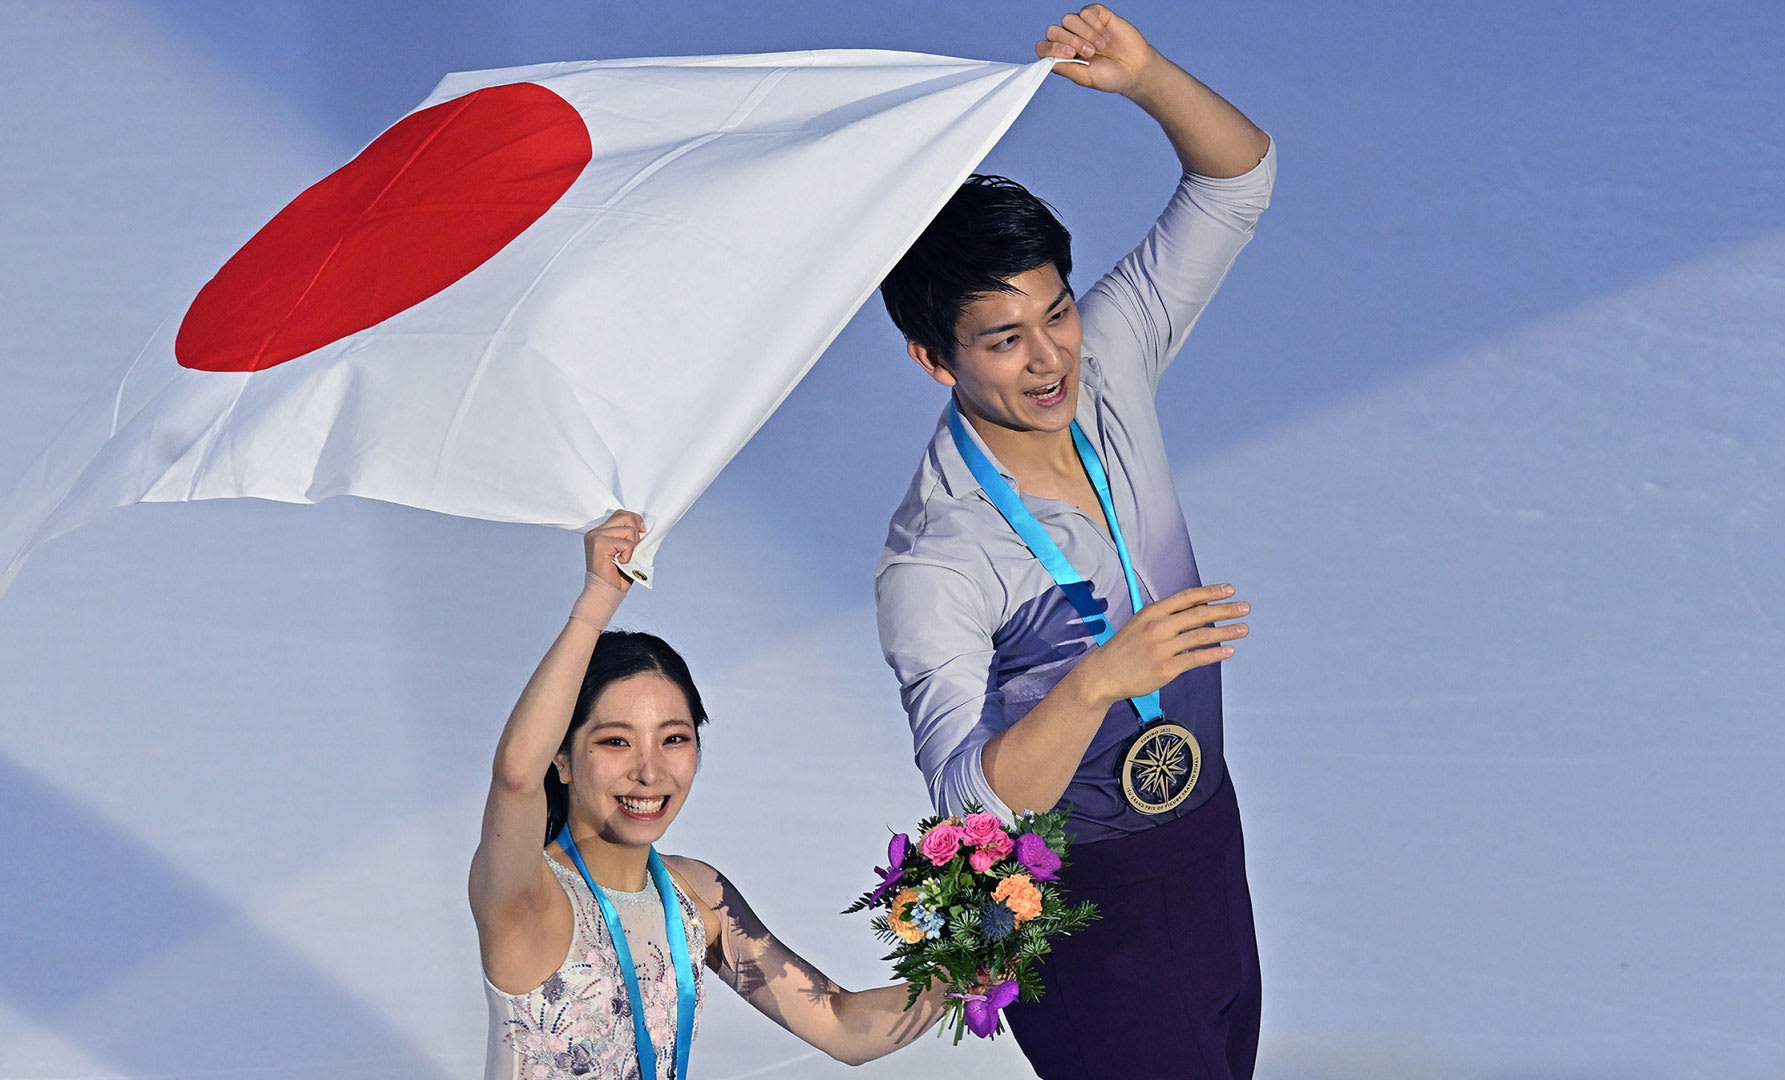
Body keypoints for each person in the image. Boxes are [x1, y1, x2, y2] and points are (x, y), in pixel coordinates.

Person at [873, 6, 1272, 1077]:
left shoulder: (1112, 364)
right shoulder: (938, 558)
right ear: (933, 360)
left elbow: (1237, 182)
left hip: (1204, 844)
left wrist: (1148, 79)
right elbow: (965, 802)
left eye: (1057, 312)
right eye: (1005, 341)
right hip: (1089, 909)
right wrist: (1095, 685)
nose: (1050, 359)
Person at [471, 510, 946, 1078]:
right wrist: (596, 600)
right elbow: (516, 776)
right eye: (615, 741)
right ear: (563, 759)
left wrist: (974, 968)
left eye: (674, 739)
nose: (649, 772)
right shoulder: (528, 894)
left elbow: (841, 1025)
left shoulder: (696, 894)